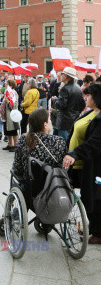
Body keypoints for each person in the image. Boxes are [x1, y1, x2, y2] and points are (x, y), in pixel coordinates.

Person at [63, 83, 101, 244]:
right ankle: (93, 228)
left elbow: (94, 143)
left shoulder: (99, 118)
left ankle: (98, 233)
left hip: (93, 165)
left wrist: (75, 153)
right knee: (87, 197)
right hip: (79, 164)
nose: (85, 97)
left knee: (95, 197)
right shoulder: (91, 112)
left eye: (88, 95)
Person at [12, 108, 67, 181]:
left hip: (30, 186)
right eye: (49, 119)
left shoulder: (23, 139)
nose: (51, 121)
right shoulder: (59, 141)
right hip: (54, 184)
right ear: (45, 125)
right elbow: (64, 167)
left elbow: (17, 168)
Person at [54, 67, 85, 141]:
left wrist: (55, 100)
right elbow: (82, 105)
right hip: (74, 119)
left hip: (64, 122)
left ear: (67, 76)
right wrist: (76, 113)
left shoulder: (64, 88)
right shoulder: (78, 88)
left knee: (63, 144)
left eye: (63, 74)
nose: (61, 76)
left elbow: (61, 105)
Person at [2, 79, 19, 152]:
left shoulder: (13, 93)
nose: (5, 84)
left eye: (7, 83)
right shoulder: (7, 92)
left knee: (13, 130)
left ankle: (16, 145)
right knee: (8, 130)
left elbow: (14, 105)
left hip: (12, 114)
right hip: (7, 115)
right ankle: (10, 144)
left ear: (11, 85)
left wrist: (8, 102)